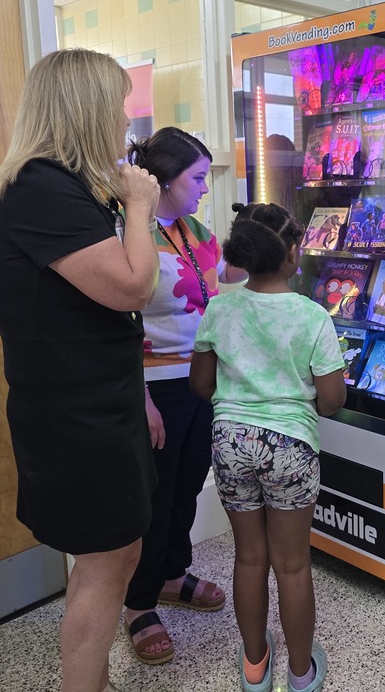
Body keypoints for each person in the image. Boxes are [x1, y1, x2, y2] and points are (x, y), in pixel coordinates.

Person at [0, 48, 162, 692]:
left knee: (116, 552)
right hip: (77, 421)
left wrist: (139, 398)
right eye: (118, 104)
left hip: (102, 406)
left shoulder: (63, 188)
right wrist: (139, 205)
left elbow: (103, 317)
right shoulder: (41, 189)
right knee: (103, 564)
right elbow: (133, 287)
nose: (126, 119)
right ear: (85, 108)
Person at [190, 202, 346, 692]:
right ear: (292, 253)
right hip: (289, 447)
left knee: (249, 558)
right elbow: (333, 400)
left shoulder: (220, 308)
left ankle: (255, 666)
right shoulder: (313, 317)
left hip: (231, 443)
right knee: (293, 564)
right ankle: (301, 673)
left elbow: (201, 385)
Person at [120, 126, 247, 665]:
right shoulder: (132, 232)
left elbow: (219, 277)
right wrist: (141, 401)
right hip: (155, 386)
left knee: (189, 484)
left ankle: (173, 574)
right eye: (198, 178)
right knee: (155, 495)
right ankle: (137, 604)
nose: (204, 188)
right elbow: (117, 321)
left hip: (201, 379)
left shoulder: (195, 228)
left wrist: (267, 238)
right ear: (166, 180)